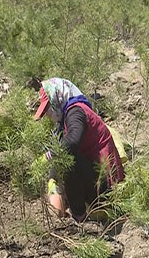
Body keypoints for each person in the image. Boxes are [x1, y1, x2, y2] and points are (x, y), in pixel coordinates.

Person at [33, 78, 125, 222]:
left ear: (58, 97)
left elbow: (73, 141)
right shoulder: (67, 116)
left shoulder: (75, 112)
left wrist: (48, 156)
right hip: (95, 177)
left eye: (49, 108)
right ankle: (82, 205)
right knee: (65, 158)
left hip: (105, 182)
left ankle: (80, 216)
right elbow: (59, 143)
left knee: (69, 160)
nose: (49, 114)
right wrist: (52, 179)